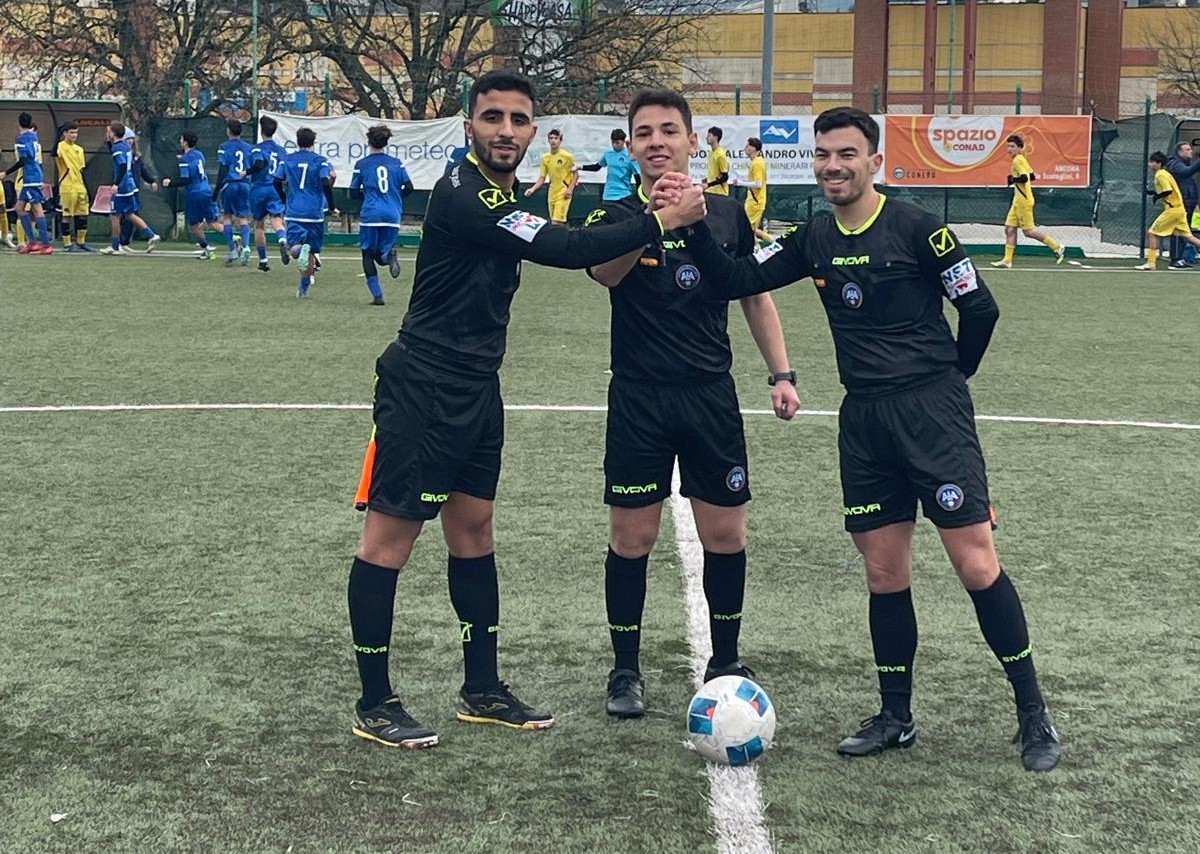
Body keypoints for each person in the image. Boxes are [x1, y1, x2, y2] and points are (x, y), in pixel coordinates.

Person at [679, 107, 1062, 772]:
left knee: (975, 565)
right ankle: (895, 715)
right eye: (823, 154)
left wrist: (950, 377)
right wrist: (691, 226)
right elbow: (736, 280)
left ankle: (1033, 714)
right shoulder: (813, 237)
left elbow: (980, 307)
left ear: (874, 161)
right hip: (864, 423)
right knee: (885, 573)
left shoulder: (920, 229)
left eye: (846, 154)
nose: (833, 166)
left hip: (932, 416)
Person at [345, 68, 705, 749]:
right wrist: (662, 221)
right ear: (468, 127)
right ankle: (375, 702)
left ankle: (482, 688)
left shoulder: (506, 193)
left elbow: (555, 236)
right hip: (424, 386)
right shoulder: (463, 192)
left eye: (517, 120)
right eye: (492, 117)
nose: (505, 130)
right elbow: (565, 249)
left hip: (479, 388)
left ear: (533, 131)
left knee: (474, 534)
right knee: (388, 544)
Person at [584, 90, 799, 719]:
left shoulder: (728, 214)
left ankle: (725, 660)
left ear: (690, 139)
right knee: (632, 537)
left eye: (668, 130)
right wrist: (659, 220)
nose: (657, 141)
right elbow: (606, 274)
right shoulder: (616, 213)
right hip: (639, 397)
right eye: (644, 132)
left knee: (726, 534)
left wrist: (781, 373)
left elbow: (755, 294)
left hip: (710, 396)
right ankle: (625, 670)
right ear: (631, 145)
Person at [350, 124, 413, 306]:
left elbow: (353, 192)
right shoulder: (397, 163)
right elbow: (409, 187)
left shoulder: (362, 164)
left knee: (367, 254)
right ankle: (389, 256)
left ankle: (377, 296)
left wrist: (366, 197)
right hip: (393, 213)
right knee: (382, 253)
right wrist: (395, 198)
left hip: (371, 213)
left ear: (369, 141)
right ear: (386, 142)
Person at [271, 127, 337, 297]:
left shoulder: (287, 159)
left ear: (297, 141)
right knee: (311, 250)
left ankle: (302, 254)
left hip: (294, 210)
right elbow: (326, 180)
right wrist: (331, 206)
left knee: (294, 248)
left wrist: (284, 198)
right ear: (313, 143)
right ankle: (303, 288)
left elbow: (276, 180)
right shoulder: (320, 161)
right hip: (314, 212)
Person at [990, 134, 1065, 269]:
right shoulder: (1021, 159)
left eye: (1013, 146)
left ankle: (1057, 247)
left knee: (1029, 231)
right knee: (1009, 228)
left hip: (1023, 201)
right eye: (1008, 146)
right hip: (1018, 200)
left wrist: (1013, 179)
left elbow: (1025, 178)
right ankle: (1007, 260)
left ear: (1020, 148)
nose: (1009, 149)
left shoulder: (1018, 160)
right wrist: (1015, 178)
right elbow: (1032, 176)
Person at [100, 122, 159, 256]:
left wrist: (116, 184)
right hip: (129, 185)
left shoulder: (117, 148)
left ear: (113, 134)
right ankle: (151, 235)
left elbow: (122, 165)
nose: (107, 134)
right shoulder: (125, 147)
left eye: (109, 132)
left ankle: (116, 246)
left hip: (122, 187)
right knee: (129, 214)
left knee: (115, 216)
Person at [1135, 151, 1200, 271]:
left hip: (1173, 210)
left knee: (1152, 233)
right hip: (1180, 210)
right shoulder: (1165, 173)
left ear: (1159, 163)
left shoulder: (1160, 175)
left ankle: (1151, 263)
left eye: (1152, 162)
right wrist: (1154, 193)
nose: (1150, 164)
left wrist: (1157, 196)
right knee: (1188, 237)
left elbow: (1168, 191)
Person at [0, 112, 53, 254]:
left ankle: (46, 245)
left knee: (37, 209)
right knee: (19, 208)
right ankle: (32, 243)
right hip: (34, 175)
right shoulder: (34, 136)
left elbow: (24, 159)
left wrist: (6, 173)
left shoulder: (21, 138)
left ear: (18, 123)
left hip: (30, 176)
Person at [162, 130, 218, 260]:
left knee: (194, 224)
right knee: (212, 222)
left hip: (194, 193)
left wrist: (170, 183)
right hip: (206, 189)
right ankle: (233, 238)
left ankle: (207, 249)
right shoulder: (200, 154)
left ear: (185, 143)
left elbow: (185, 180)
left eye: (181, 139)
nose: (180, 141)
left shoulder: (184, 159)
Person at [248, 115, 289, 272]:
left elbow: (258, 163)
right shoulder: (281, 150)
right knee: (277, 219)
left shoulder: (256, 149)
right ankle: (282, 239)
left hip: (259, 188)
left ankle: (263, 260)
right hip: (275, 188)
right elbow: (284, 173)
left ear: (261, 130)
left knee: (259, 225)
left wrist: (246, 172)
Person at [216, 119, 254, 266]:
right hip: (244, 184)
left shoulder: (224, 147)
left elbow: (223, 168)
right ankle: (246, 247)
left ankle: (232, 250)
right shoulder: (248, 147)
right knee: (243, 217)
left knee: (227, 216)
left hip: (230, 184)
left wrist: (217, 188)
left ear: (228, 131)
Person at [523, 128, 576, 223]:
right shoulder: (545, 158)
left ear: (560, 141)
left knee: (556, 222)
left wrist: (570, 189)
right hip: (552, 193)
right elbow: (542, 178)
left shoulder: (567, 157)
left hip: (563, 192)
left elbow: (576, 174)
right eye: (551, 138)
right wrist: (532, 189)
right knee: (555, 222)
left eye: (556, 138)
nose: (553, 141)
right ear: (548, 140)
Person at [55, 122, 93, 252]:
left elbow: (81, 169)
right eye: (71, 132)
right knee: (66, 215)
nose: (74, 135)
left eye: (76, 132)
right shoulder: (61, 146)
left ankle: (81, 242)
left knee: (83, 214)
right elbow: (54, 154)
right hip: (67, 186)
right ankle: (67, 244)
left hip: (80, 186)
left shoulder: (79, 149)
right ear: (65, 133)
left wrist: (87, 187)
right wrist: (57, 136)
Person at [573, 129, 640, 201]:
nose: (614, 145)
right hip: (608, 195)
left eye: (617, 143)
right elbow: (596, 167)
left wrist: (639, 198)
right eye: (613, 142)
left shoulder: (630, 156)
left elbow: (637, 177)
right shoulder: (608, 153)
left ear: (623, 142)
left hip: (624, 195)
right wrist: (580, 167)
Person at [1165, 141, 1200, 268]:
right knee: (1178, 231)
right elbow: (1187, 172)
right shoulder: (1174, 164)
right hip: (1179, 204)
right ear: (1179, 151)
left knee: (1185, 231)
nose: (1190, 151)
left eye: (1190, 149)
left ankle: (1180, 258)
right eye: (1187, 149)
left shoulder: (1185, 164)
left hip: (1189, 202)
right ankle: (1175, 259)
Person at [732, 136, 771, 242]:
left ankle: (772, 243)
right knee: (750, 229)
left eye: (748, 145)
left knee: (747, 229)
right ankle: (774, 242)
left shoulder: (757, 163)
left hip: (755, 202)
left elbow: (758, 184)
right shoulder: (756, 162)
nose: (746, 147)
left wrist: (740, 183)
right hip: (753, 201)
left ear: (754, 148)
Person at [702, 126, 730, 196]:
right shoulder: (711, 153)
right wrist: (708, 179)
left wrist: (709, 184)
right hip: (710, 191)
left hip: (719, 193)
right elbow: (716, 174)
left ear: (716, 138)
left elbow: (725, 177)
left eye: (709, 135)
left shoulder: (720, 154)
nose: (706, 138)